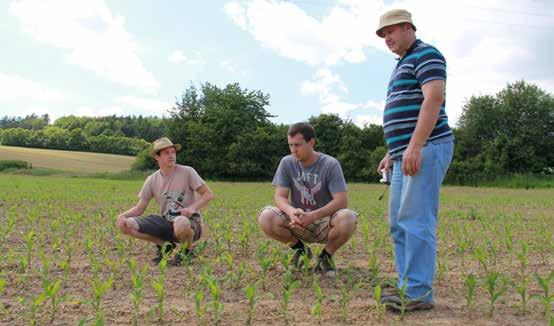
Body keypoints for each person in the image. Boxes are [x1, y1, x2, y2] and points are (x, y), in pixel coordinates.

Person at [375, 9, 454, 310]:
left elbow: (434, 98)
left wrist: (415, 145)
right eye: (383, 35)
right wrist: (393, 152)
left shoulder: (427, 54)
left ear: (409, 27)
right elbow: (403, 111)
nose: (387, 38)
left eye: (391, 31)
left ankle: (419, 293)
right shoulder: (401, 64)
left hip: (428, 146)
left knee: (415, 221)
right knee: (398, 223)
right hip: (404, 153)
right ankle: (407, 285)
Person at [258, 122, 358, 277]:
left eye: (297, 145)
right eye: (290, 145)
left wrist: (312, 216)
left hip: (325, 222)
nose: (293, 150)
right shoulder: (287, 162)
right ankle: (301, 251)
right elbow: (280, 196)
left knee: (348, 217)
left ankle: (326, 256)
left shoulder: (330, 164)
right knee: (266, 217)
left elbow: (341, 201)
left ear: (311, 142)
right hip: (297, 221)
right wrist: (291, 211)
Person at [116, 137, 214, 265]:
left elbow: (208, 194)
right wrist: (122, 216)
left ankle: (187, 251)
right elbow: (140, 208)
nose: (171, 155)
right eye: (166, 153)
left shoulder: (187, 172)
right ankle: (165, 246)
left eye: (173, 152)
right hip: (167, 223)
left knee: (180, 222)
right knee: (127, 224)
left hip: (190, 223)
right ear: (157, 157)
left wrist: (192, 208)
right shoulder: (152, 180)